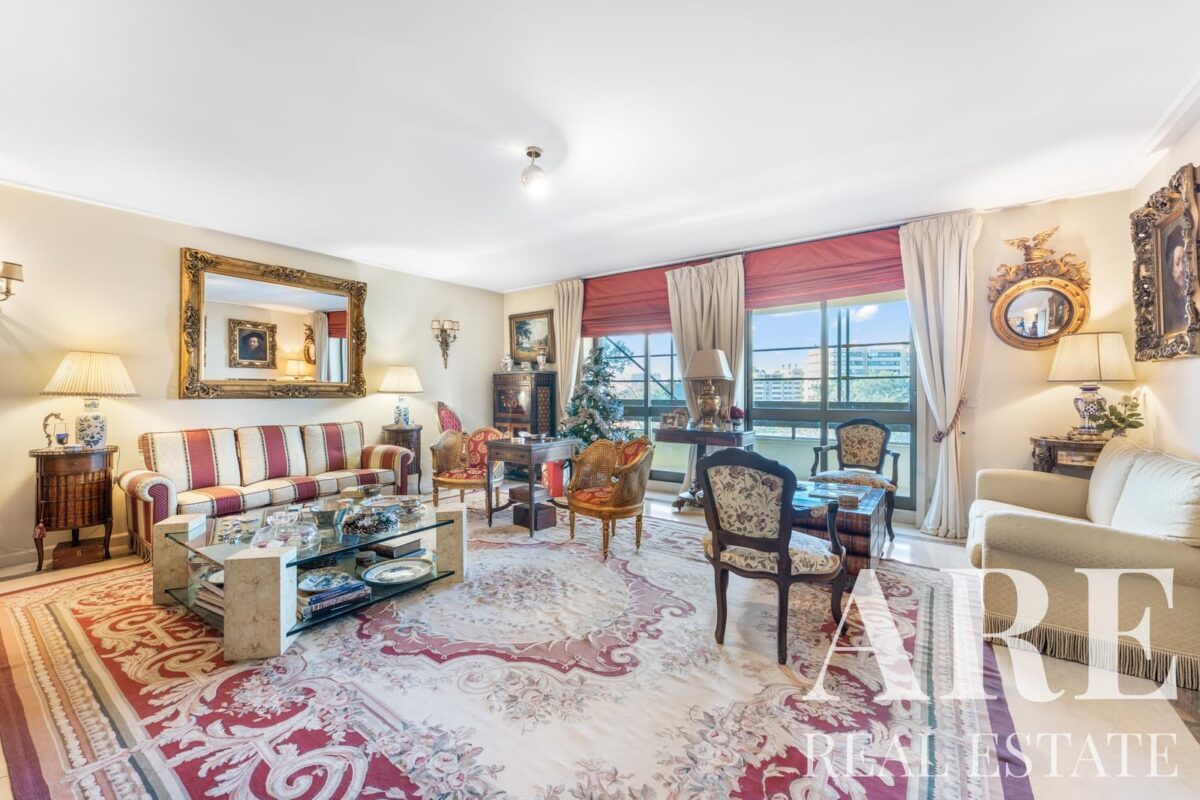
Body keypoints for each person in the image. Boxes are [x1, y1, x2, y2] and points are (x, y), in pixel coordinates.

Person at [1160, 227, 1191, 335]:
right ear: (1171, 270)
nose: (1182, 269)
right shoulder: (1169, 304)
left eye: (1185, 261)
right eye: (1177, 263)